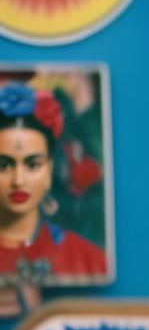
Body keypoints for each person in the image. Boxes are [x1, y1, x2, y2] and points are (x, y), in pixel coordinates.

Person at [0, 82, 107, 281]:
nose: (18, 180)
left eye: (32, 165)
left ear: (49, 171)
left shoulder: (89, 260)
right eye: (4, 165)